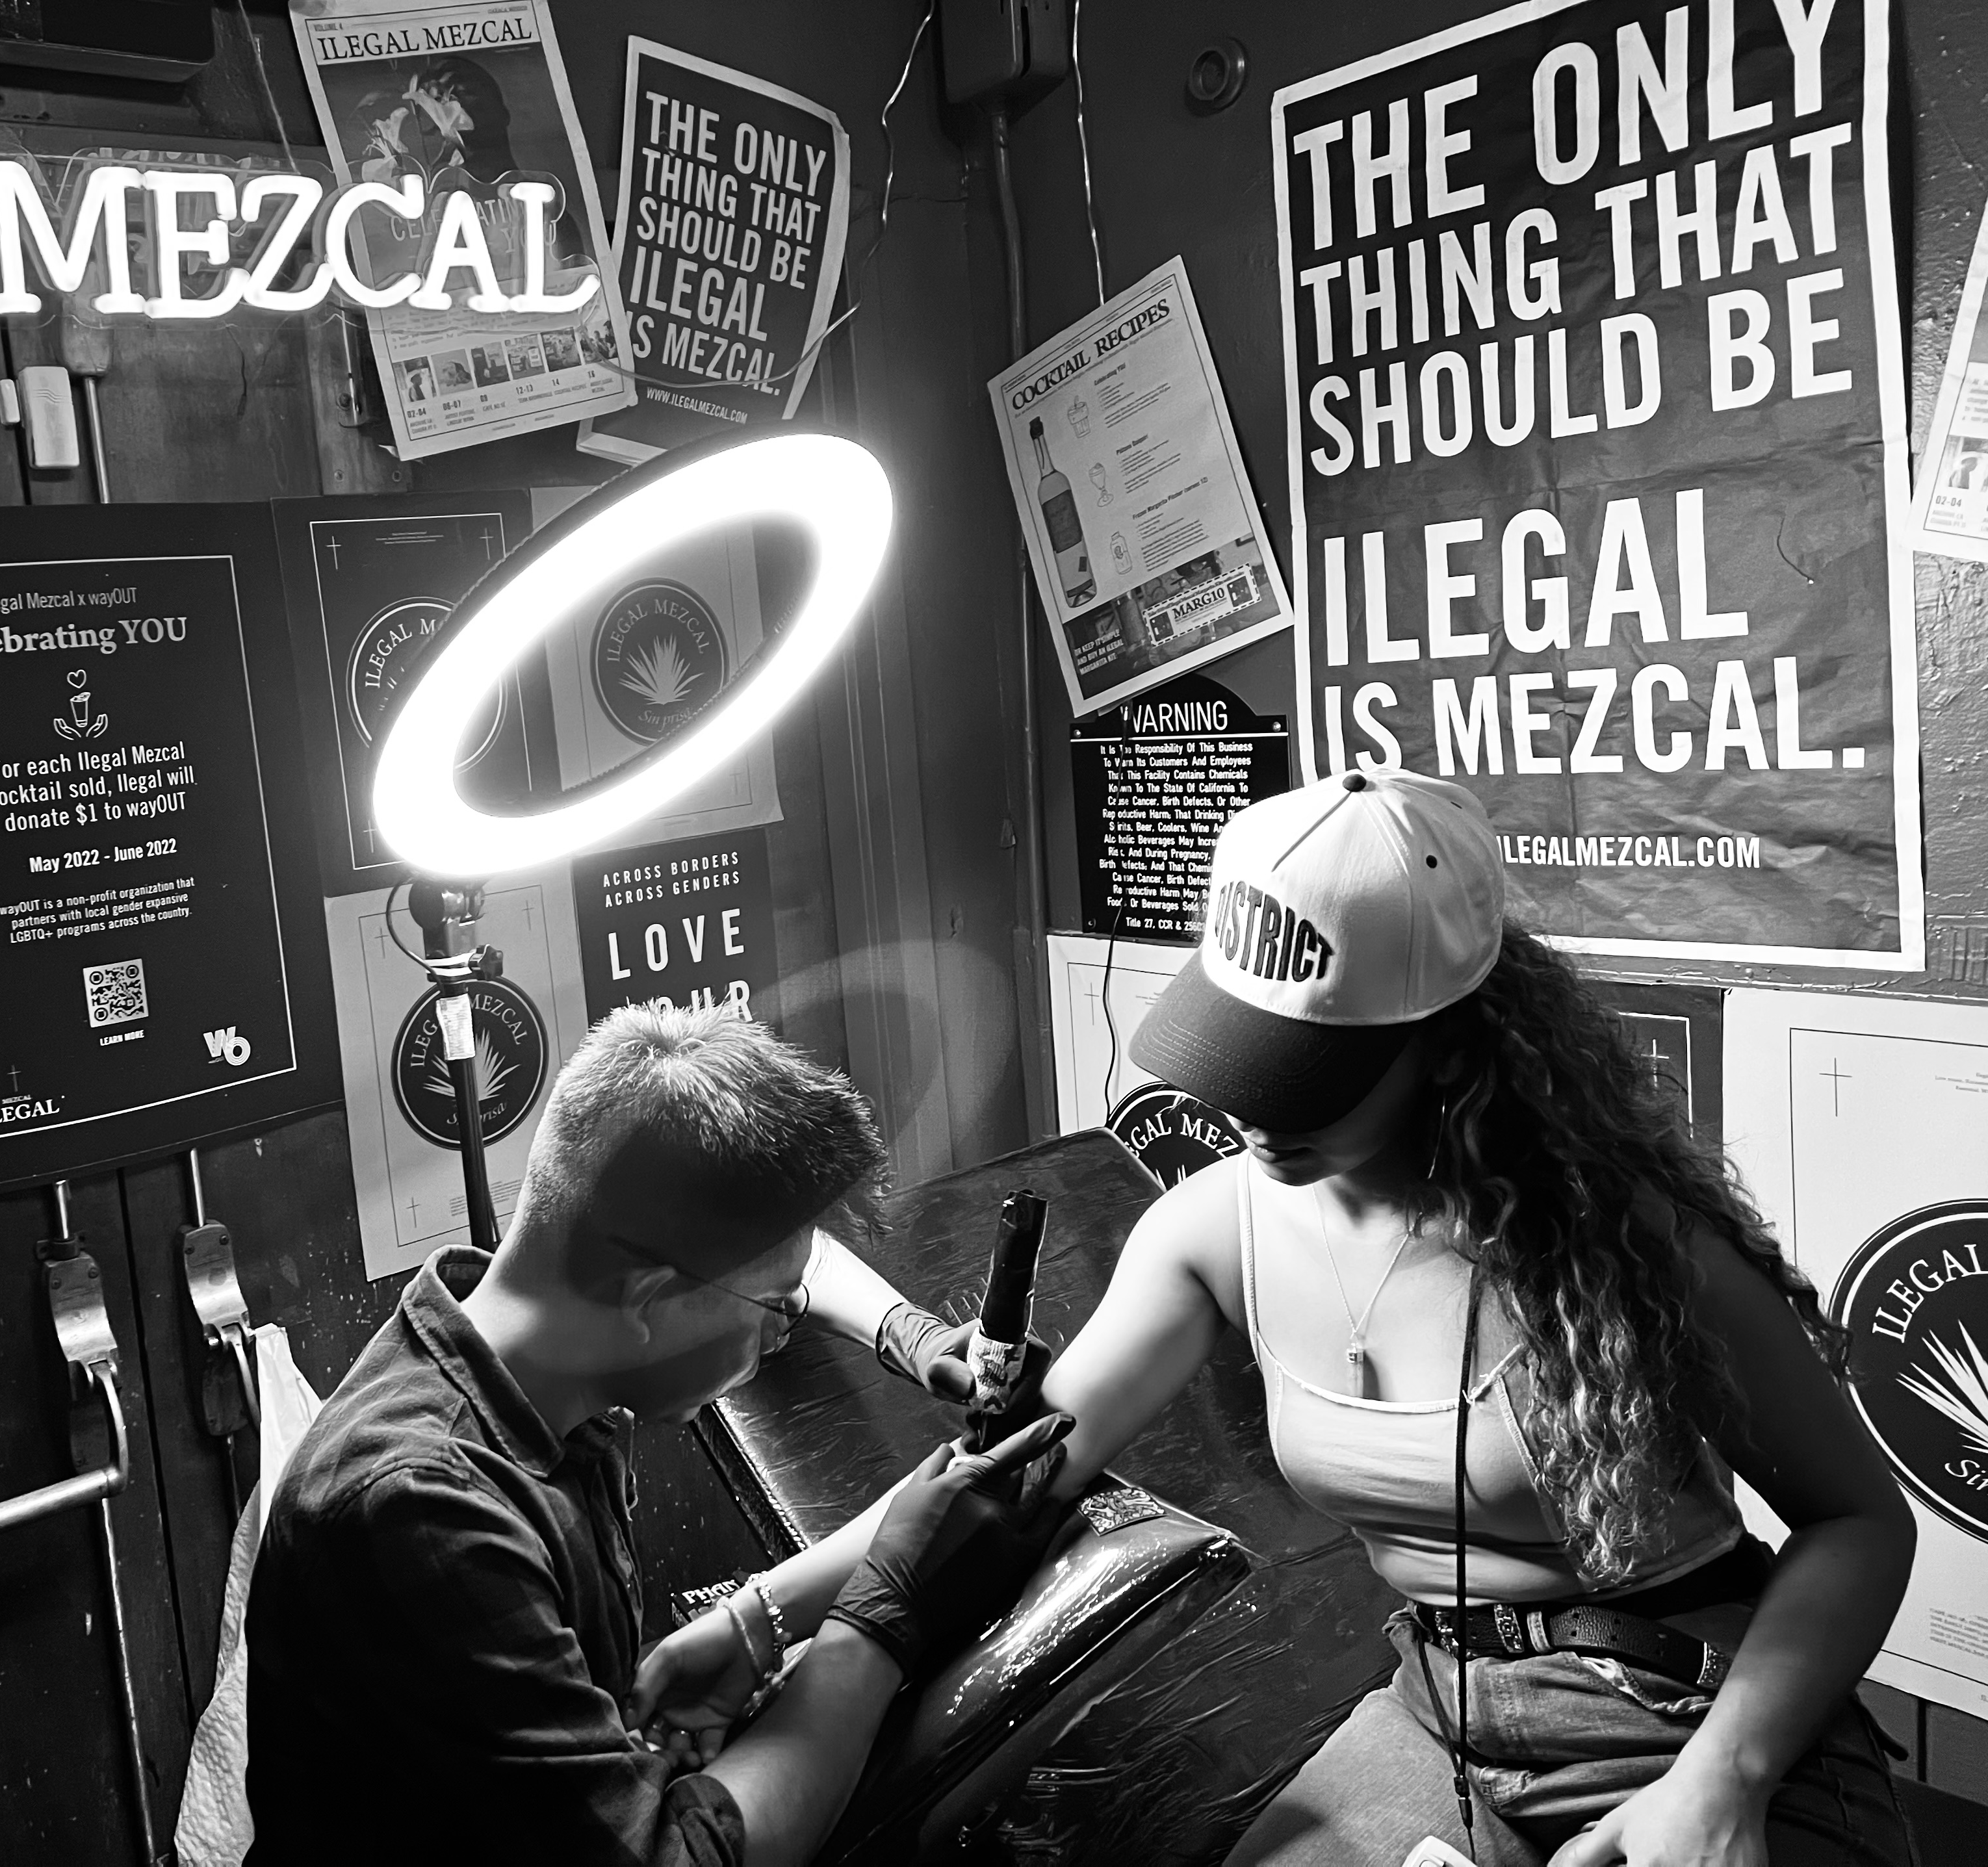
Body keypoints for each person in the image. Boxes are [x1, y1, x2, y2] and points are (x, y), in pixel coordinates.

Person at [637, 769, 1917, 1867]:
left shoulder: (1615, 1242)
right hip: (1440, 1706)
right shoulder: (1213, 1232)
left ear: (1449, 1045)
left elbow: (1859, 1522)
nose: (1251, 1108)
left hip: (1681, 1710)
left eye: (1307, 1072)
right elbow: (1003, 1480)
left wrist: (1725, 1783)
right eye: (1238, 1047)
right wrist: (757, 1616)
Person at [244, 1003, 1068, 1866]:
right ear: (646, 1298)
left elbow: (773, 1256)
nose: (781, 1329)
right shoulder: (424, 1512)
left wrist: (906, 1331)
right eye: (776, 1310)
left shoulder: (536, 1378)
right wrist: (877, 1624)